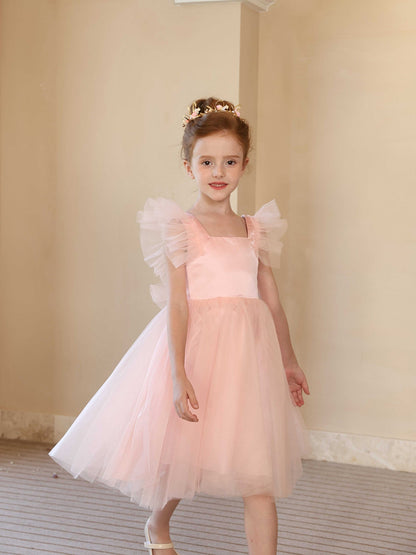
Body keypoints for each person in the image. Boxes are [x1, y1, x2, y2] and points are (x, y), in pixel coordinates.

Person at [49, 97, 310, 555]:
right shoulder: (181, 227)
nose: (218, 172)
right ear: (188, 166)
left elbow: (271, 301)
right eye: (206, 162)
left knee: (259, 473)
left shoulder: (255, 229)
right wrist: (178, 373)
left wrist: (288, 361)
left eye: (230, 162)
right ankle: (157, 523)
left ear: (245, 165)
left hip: (249, 359)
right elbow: (178, 305)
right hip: (198, 351)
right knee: (183, 456)